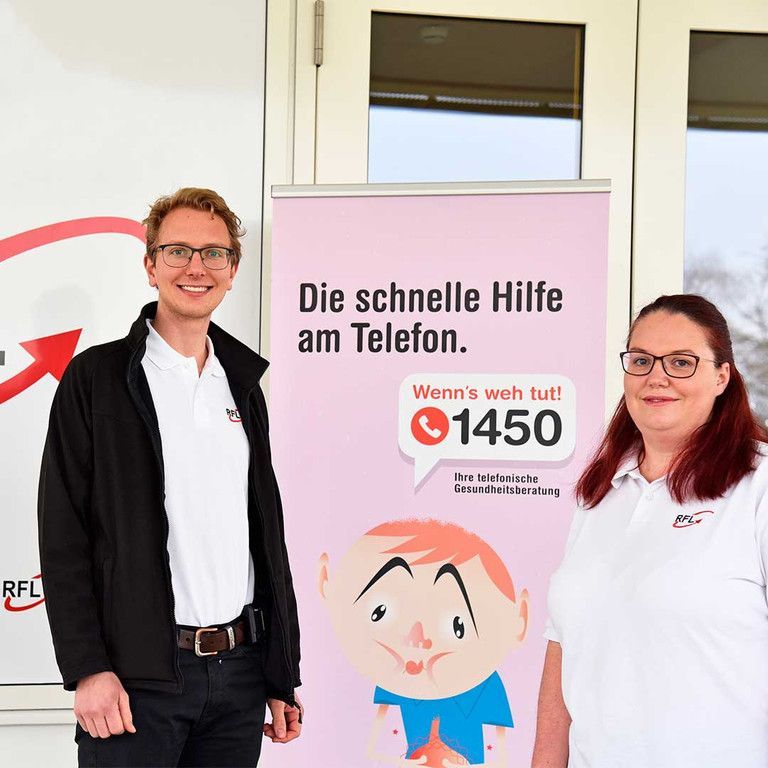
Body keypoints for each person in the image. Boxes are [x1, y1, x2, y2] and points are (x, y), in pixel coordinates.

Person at [38, 188, 302, 767]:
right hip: (136, 682)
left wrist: (280, 671)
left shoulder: (242, 385)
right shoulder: (97, 379)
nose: (195, 267)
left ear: (232, 271)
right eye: (178, 251)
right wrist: (87, 668)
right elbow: (63, 536)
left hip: (239, 675)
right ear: (150, 265)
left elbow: (265, 536)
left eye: (214, 253)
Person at [531, 294, 768, 768]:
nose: (657, 377)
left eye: (681, 362)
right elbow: (562, 648)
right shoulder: (599, 490)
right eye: (641, 361)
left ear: (722, 377)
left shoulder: (758, 485)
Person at [319, 518, 529, 766]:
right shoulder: (395, 679)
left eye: (458, 626)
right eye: (381, 611)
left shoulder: (486, 685)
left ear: (519, 620)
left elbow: (500, 759)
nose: (416, 639)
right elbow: (377, 749)